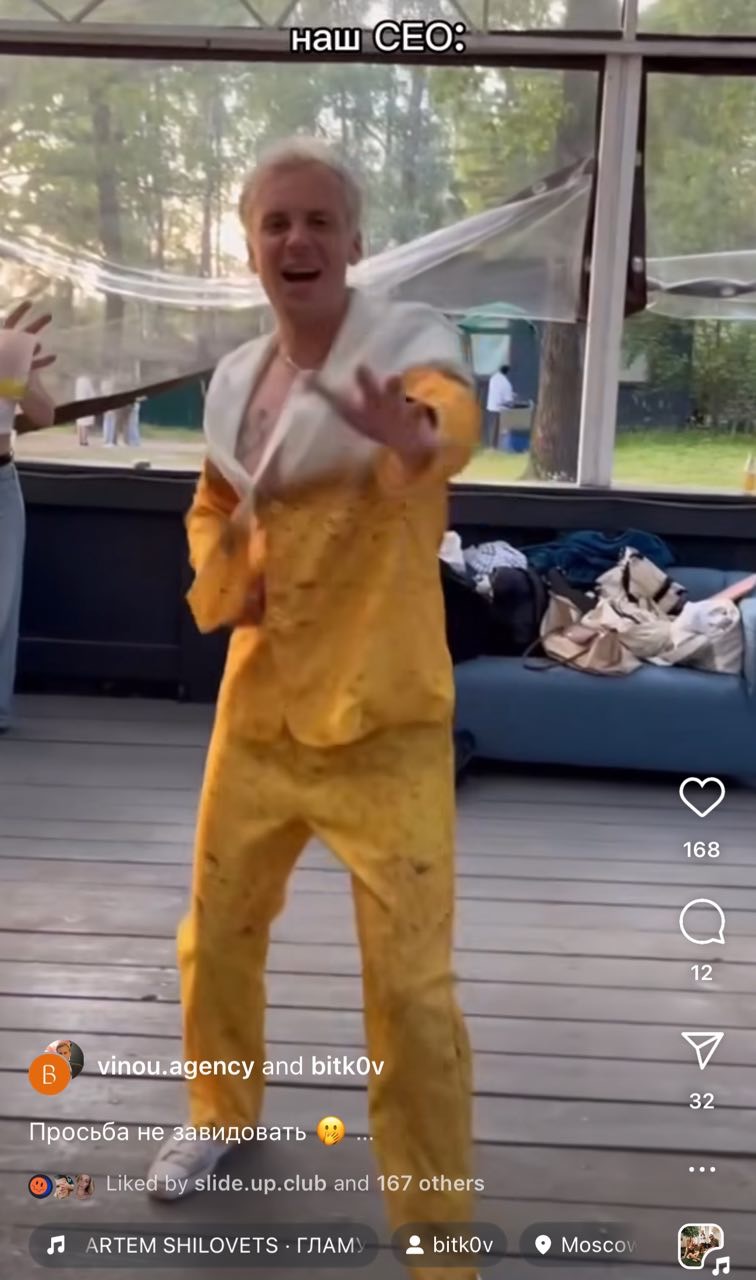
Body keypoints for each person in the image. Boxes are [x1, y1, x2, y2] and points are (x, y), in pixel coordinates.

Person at [146, 136, 482, 1280]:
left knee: (413, 991)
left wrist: (418, 439)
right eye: (276, 222)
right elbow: (213, 499)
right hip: (260, 710)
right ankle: (219, 1106)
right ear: (251, 245)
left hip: (388, 719)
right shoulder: (236, 382)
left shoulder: (408, 347)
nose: (297, 240)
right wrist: (226, 566)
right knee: (216, 933)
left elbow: (441, 419)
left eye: (318, 221)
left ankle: (438, 1237)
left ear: (354, 240)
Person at [0, 302, 56, 734]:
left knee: (4, 598)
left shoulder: (9, 347)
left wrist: (16, 373)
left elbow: (44, 414)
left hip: (3, 480)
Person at [485, 361, 514, 448]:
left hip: (490, 407)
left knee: (491, 428)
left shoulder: (493, 378)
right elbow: (508, 400)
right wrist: (513, 397)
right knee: (498, 430)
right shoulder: (506, 384)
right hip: (500, 409)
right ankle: (496, 446)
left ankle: (490, 445)